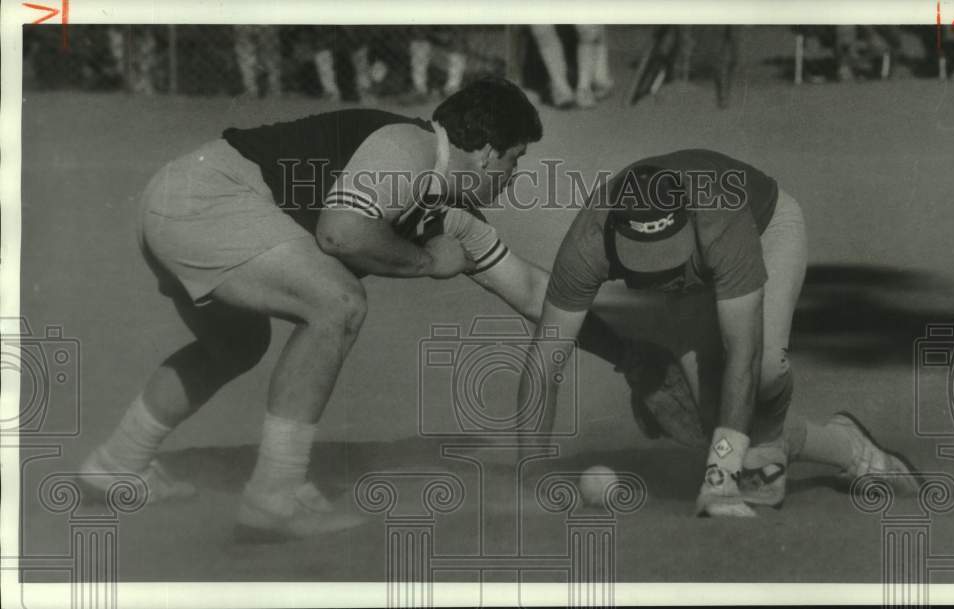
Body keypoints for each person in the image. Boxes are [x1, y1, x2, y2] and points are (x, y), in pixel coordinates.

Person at [79, 77, 667, 541]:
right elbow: (341, 233)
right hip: (207, 198)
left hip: (181, 202)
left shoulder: (453, 214)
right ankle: (275, 495)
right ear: (488, 153)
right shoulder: (410, 146)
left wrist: (629, 354)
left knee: (236, 345)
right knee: (336, 302)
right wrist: (427, 262)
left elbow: (540, 295)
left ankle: (117, 463)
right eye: (515, 159)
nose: (513, 175)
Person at [516, 150, 921, 517]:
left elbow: (744, 356)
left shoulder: (720, 220)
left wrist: (720, 478)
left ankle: (832, 451)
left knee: (765, 370)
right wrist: (532, 478)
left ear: (688, 222)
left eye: (667, 254)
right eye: (644, 260)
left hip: (765, 230)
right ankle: (839, 443)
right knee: (709, 424)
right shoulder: (587, 243)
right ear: (616, 239)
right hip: (692, 279)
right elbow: (544, 362)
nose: (659, 268)